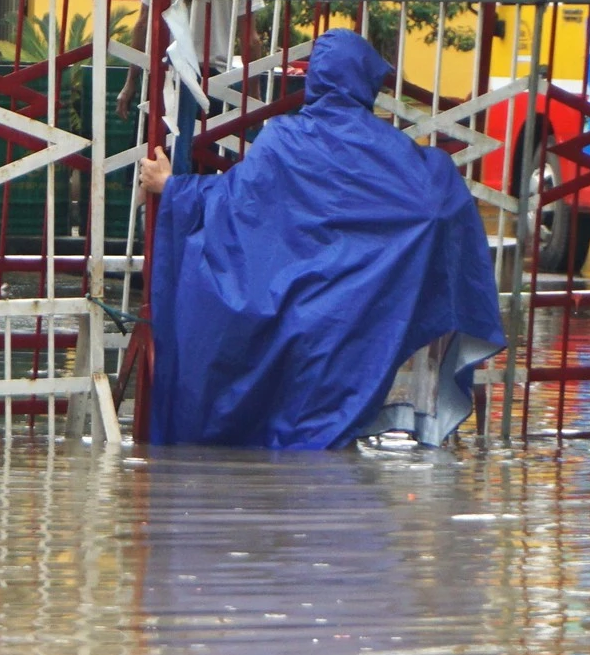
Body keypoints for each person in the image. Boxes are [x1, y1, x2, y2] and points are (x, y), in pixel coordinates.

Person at [139, 29, 505, 451]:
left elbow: (232, 202)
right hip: (349, 321)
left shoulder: (281, 139)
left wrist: (173, 186)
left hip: (281, 314)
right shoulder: (392, 151)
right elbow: (434, 206)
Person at [117, 0, 257, 175]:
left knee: (156, 169)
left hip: (168, 80)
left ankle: (156, 219)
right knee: (206, 173)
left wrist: (131, 81)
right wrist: (252, 97)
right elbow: (251, 41)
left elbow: (143, 25)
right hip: (216, 85)